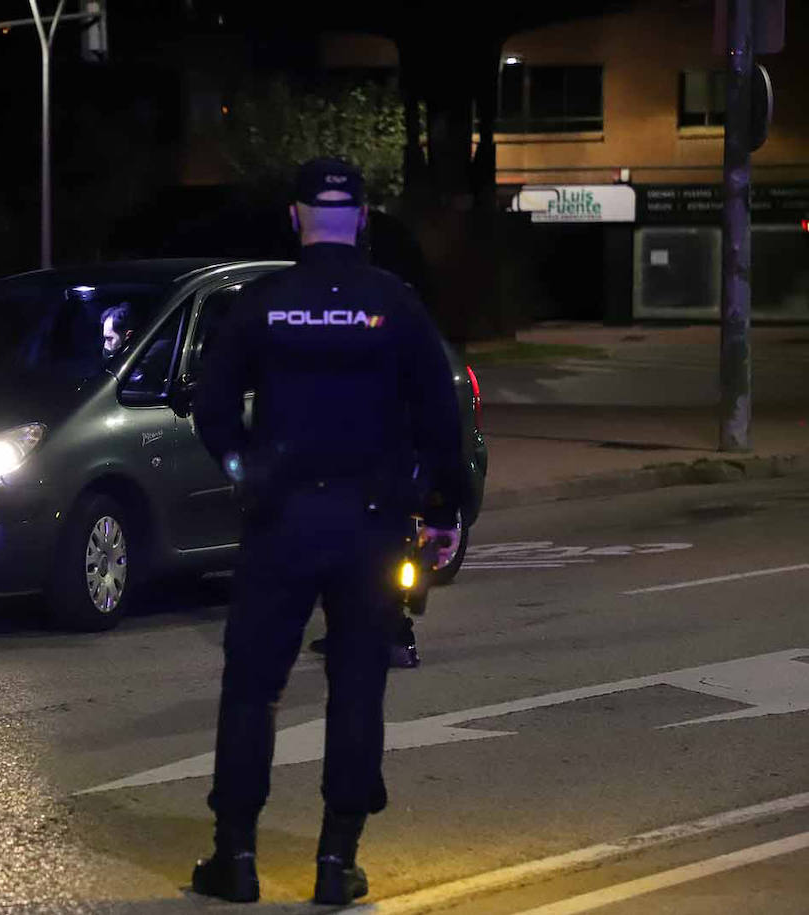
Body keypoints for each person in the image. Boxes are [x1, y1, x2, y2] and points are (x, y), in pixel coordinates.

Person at [188, 158, 466, 905]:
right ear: (365, 217)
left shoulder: (262, 302)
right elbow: (442, 417)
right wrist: (443, 509)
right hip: (369, 523)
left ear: (294, 218)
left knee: (251, 687)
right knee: (357, 688)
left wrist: (250, 472)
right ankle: (336, 863)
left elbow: (211, 407)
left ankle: (236, 858)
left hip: (281, 523)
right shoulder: (393, 304)